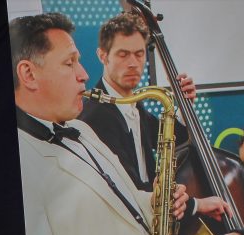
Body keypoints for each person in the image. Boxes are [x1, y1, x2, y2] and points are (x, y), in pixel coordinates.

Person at [10, 12, 193, 235]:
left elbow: (119, 199)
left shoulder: (79, 131)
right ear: (28, 74)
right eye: (70, 63)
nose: (83, 74)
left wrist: (157, 201)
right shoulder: (20, 164)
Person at [79, 13, 232, 222]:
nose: (133, 63)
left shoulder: (134, 101)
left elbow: (171, 136)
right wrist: (196, 204)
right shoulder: (94, 115)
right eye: (123, 54)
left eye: (139, 54)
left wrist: (184, 105)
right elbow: (128, 193)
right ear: (102, 55)